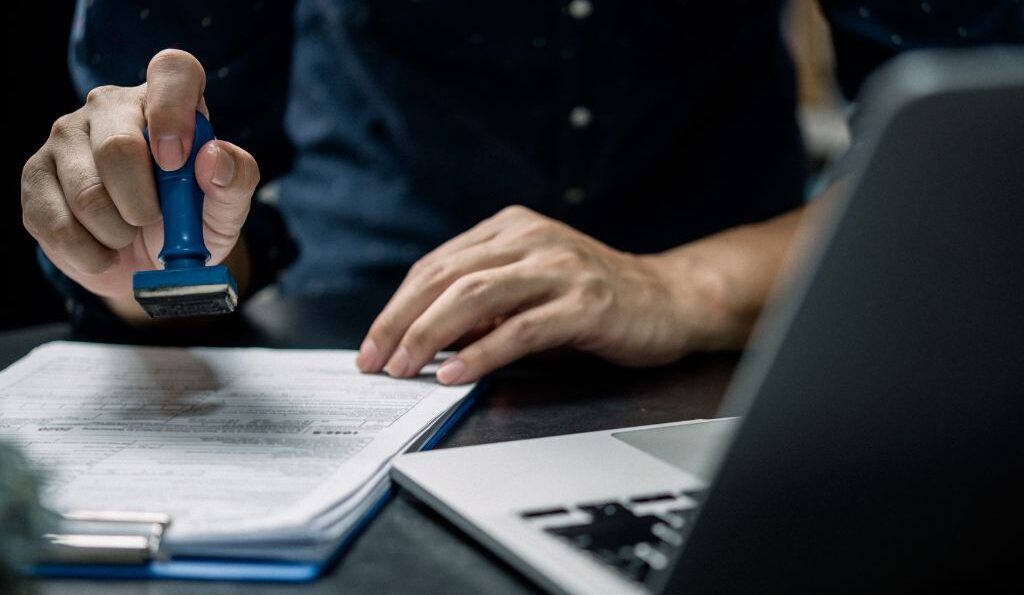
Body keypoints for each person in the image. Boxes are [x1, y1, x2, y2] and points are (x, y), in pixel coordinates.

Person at [20, 1, 1022, 385]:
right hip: (359, 360)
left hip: (745, 352)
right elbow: (184, 221)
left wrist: (684, 288)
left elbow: (979, 159)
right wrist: (136, 256)